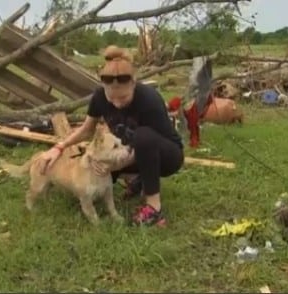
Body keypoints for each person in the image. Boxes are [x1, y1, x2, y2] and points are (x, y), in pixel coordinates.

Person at [39, 45, 184, 227]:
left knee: (143, 136)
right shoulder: (99, 96)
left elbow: (149, 144)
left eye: (123, 98)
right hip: (127, 150)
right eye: (111, 99)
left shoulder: (149, 99)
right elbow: (87, 129)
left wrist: (116, 165)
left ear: (133, 83)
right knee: (98, 161)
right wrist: (58, 147)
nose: (116, 104)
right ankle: (138, 180)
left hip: (166, 156)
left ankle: (154, 208)